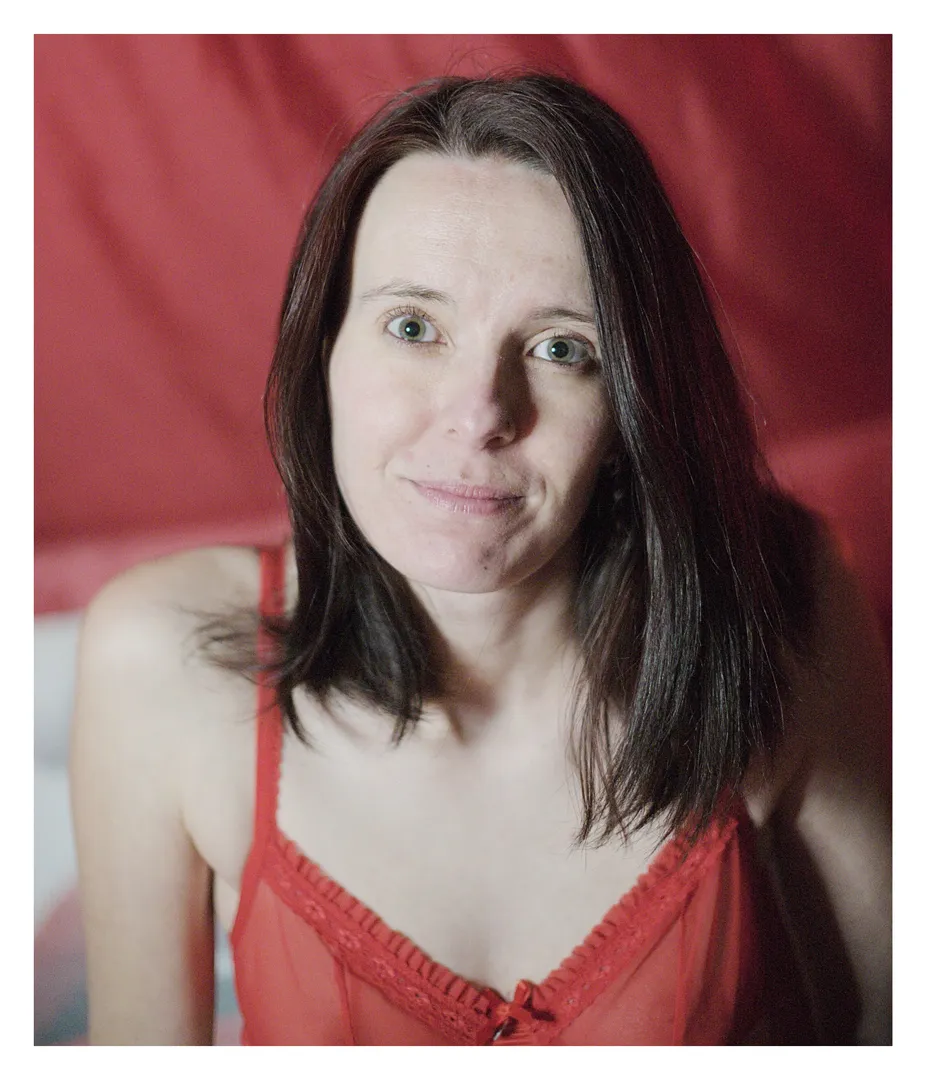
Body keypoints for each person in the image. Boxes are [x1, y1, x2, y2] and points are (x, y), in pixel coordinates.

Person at [70, 73, 891, 1045]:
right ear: (321, 353)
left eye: (561, 349)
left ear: (632, 403)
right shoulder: (162, 658)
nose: (480, 414)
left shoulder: (781, 597)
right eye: (413, 327)